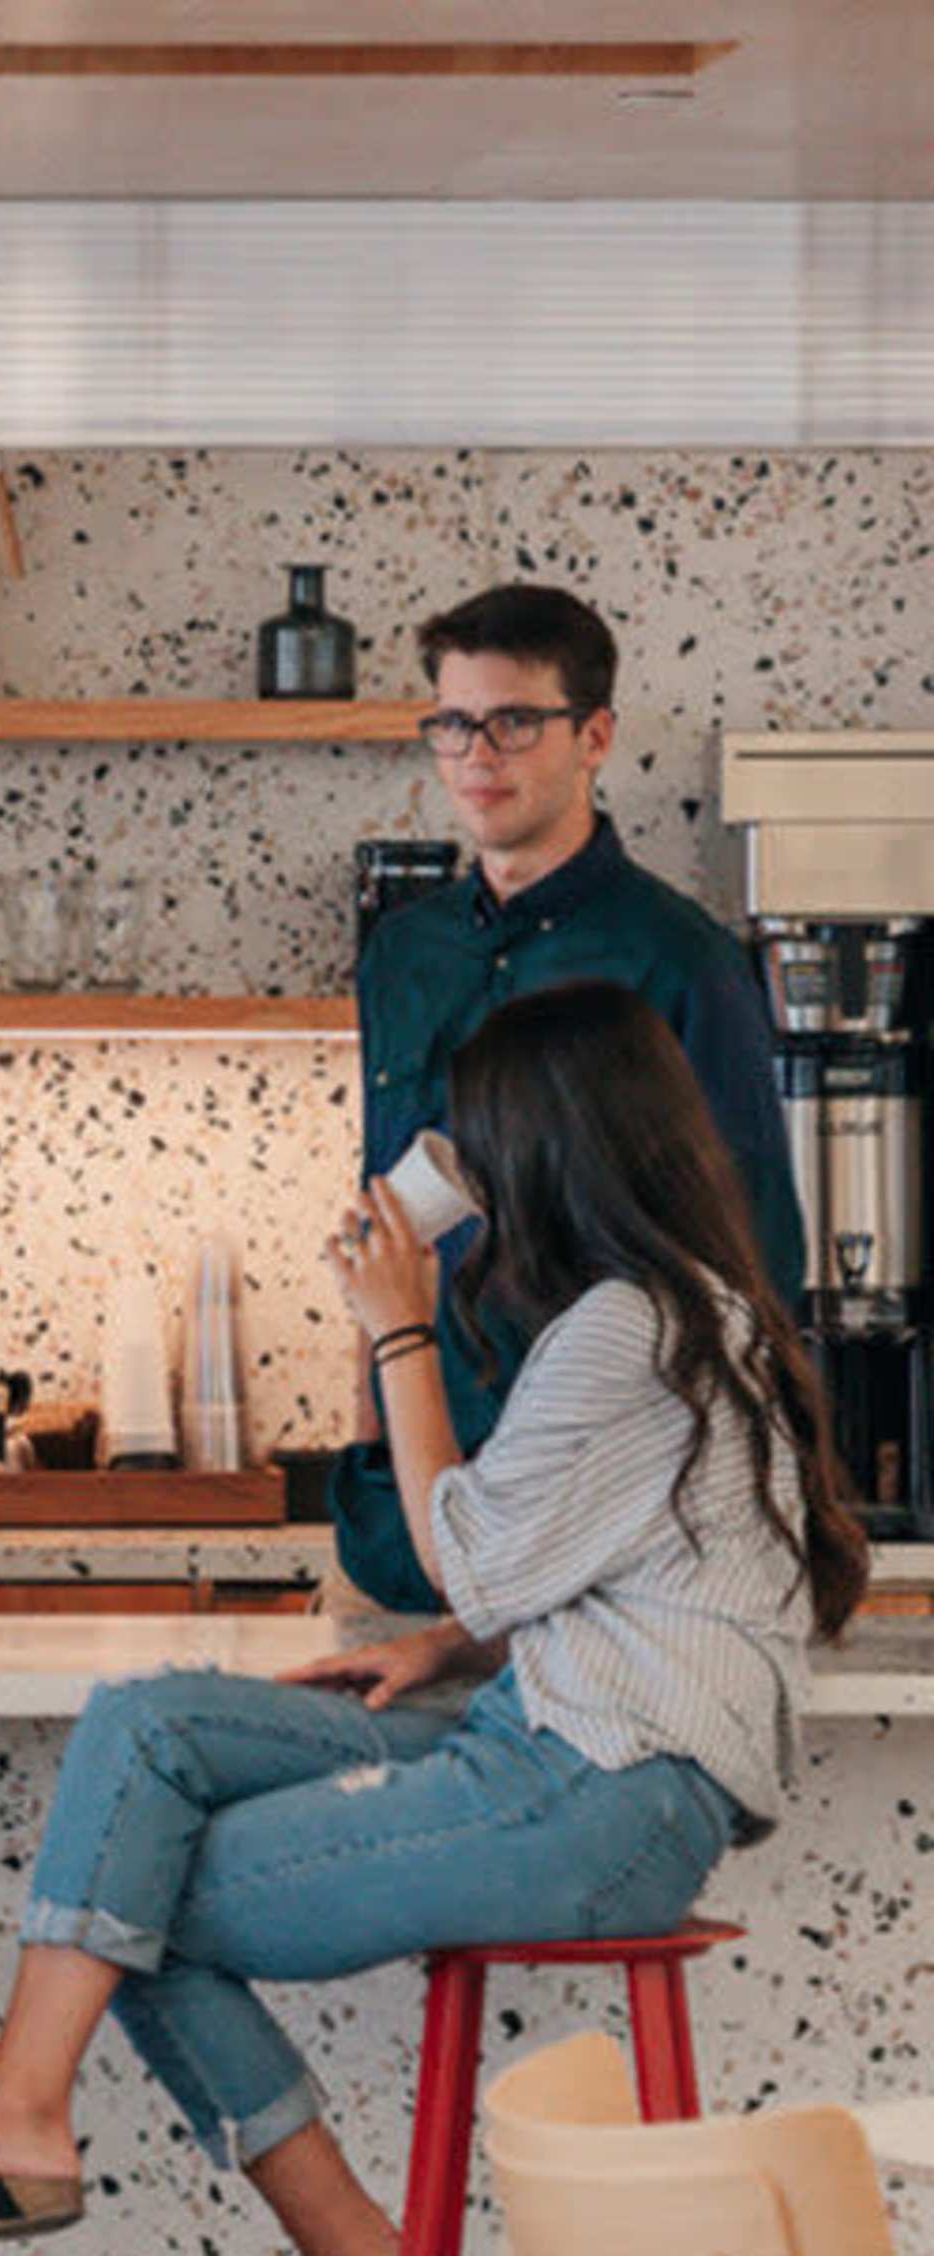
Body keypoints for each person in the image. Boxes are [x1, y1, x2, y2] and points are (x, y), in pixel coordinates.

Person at [0, 982, 861, 2256]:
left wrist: (399, 1332)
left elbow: (472, 1550)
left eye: (478, 1142)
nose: (466, 1174)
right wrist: (451, 1645)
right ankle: (27, 2116)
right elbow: (597, 1567)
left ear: (544, 1147)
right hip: (557, 1749)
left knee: (137, 1905)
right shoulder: (679, 1311)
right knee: (150, 1726)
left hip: (602, 1794)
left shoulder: (626, 1327)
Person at [334, 584, 799, 1612]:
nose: (476, 755)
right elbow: (382, 1215)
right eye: (453, 723)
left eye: (513, 721)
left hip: (593, 1526)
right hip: (404, 1504)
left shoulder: (683, 960)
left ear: (594, 737)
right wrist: (366, 1428)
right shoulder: (403, 954)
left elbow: (755, 1259)